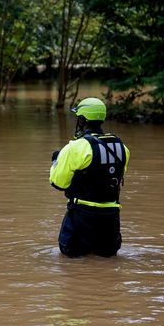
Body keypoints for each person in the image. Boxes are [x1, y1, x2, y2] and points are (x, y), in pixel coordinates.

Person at [50, 97, 130, 257]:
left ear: (82, 119)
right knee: (107, 264)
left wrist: (56, 161)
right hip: (110, 222)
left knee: (72, 266)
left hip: (81, 219)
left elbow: (58, 182)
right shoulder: (122, 147)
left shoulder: (75, 147)